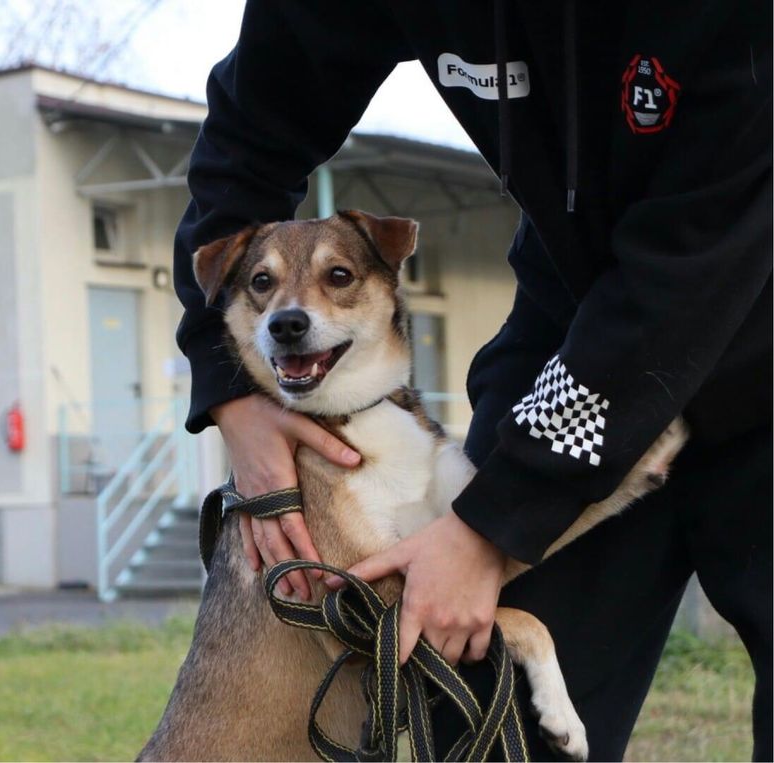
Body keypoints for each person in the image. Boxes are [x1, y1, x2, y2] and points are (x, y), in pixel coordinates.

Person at [172, 1, 773, 759]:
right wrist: (227, 387)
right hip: (571, 324)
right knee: (491, 723)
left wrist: (495, 521)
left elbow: (687, 271)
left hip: (743, 316)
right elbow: (246, 138)